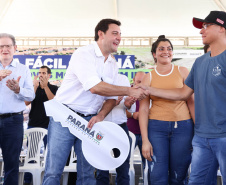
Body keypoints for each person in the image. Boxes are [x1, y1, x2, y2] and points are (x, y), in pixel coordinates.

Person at [42, 18, 148, 185]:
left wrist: (101, 115)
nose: (119, 38)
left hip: (90, 121)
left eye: (120, 34)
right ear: (101, 34)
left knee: (88, 175)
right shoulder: (83, 54)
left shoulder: (113, 64)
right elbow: (95, 87)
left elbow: (111, 98)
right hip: (65, 116)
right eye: (115, 33)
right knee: (54, 172)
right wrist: (129, 90)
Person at [139, 11, 226, 185]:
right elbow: (182, 93)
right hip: (201, 137)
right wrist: (146, 88)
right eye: (202, 27)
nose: (202, 31)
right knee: (194, 181)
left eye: (206, 26)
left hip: (223, 135)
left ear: (222, 28)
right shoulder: (200, 62)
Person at [139, 35, 195, 185]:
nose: (166, 51)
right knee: (157, 176)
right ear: (154, 54)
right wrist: (145, 140)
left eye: (169, 49)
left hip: (183, 127)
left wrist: (198, 131)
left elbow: (192, 102)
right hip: (156, 129)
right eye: (161, 49)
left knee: (179, 174)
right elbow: (143, 110)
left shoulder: (183, 71)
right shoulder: (148, 77)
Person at [0, 33, 34, 185]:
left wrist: (18, 89)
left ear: (15, 48)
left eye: (8, 46)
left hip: (13, 121)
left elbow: (31, 95)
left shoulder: (23, 69)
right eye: (1, 46)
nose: (4, 49)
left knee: (11, 164)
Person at [96, 73, 136, 185]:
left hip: (121, 127)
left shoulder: (122, 79)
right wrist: (110, 103)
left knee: (123, 166)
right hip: (102, 128)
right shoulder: (97, 79)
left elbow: (131, 107)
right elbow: (91, 106)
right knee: (102, 168)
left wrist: (128, 104)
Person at [23, 65, 58, 185]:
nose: (41, 75)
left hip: (50, 126)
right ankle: (28, 181)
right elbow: (26, 102)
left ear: (49, 75)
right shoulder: (34, 88)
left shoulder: (54, 88)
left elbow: (54, 103)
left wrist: (45, 87)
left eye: (43, 73)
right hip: (33, 125)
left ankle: (47, 181)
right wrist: (35, 87)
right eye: (39, 73)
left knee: (51, 156)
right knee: (31, 156)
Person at [126, 71, 146, 178]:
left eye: (143, 82)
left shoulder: (150, 92)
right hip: (130, 132)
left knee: (148, 164)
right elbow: (120, 109)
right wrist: (133, 114)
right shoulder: (127, 90)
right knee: (125, 163)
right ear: (133, 80)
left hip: (146, 134)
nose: (141, 84)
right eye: (138, 81)